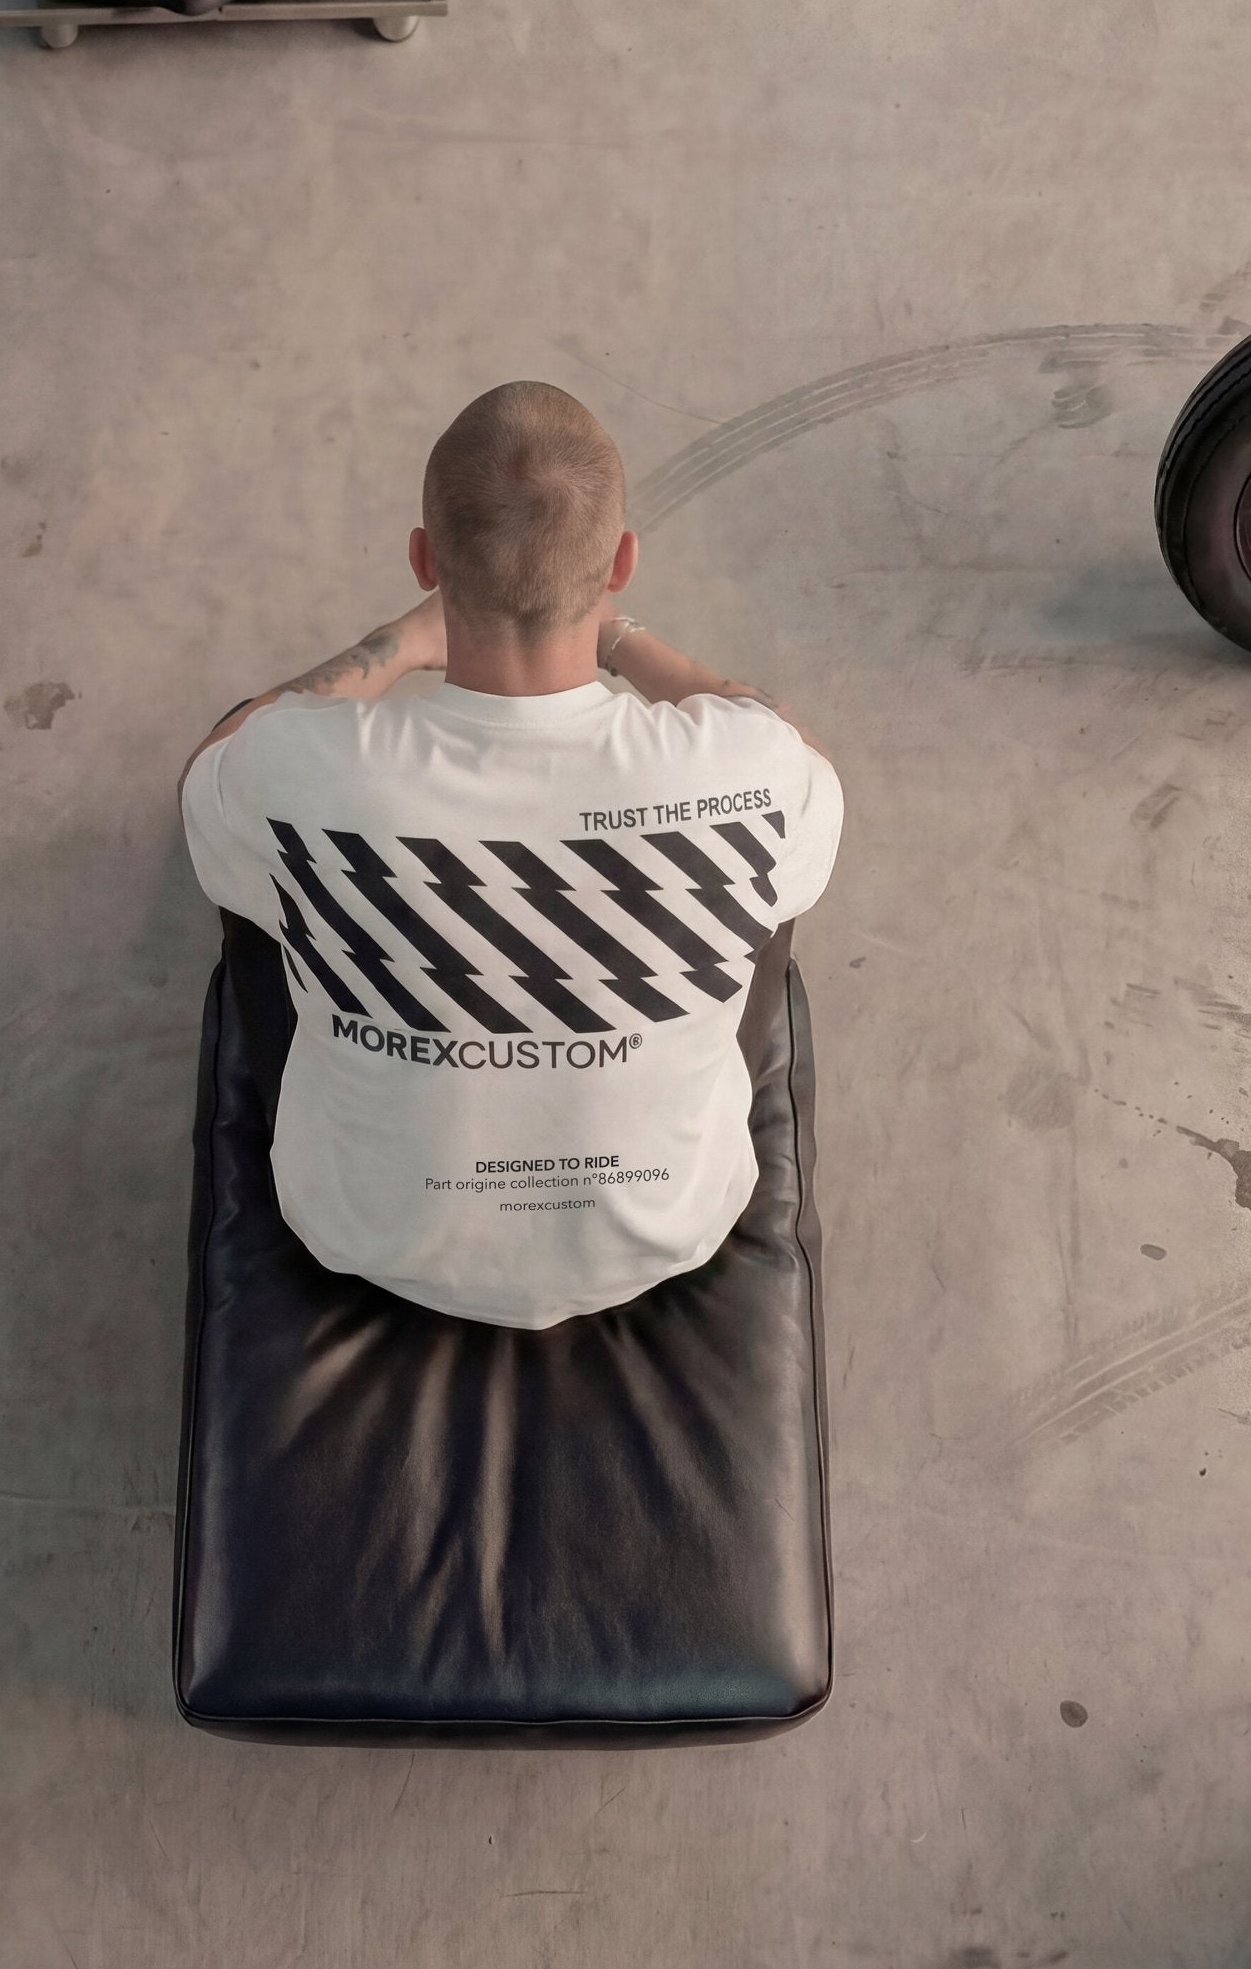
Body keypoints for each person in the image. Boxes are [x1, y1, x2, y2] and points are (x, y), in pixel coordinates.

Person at [180, 382, 841, 1332]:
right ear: (621, 561)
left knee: (267, 855)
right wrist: (626, 642)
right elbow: (795, 745)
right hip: (666, 1230)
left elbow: (211, 761)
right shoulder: (753, 766)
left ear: (423, 560)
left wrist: (398, 644)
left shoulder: (298, 764)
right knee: (763, 871)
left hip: (369, 1230)